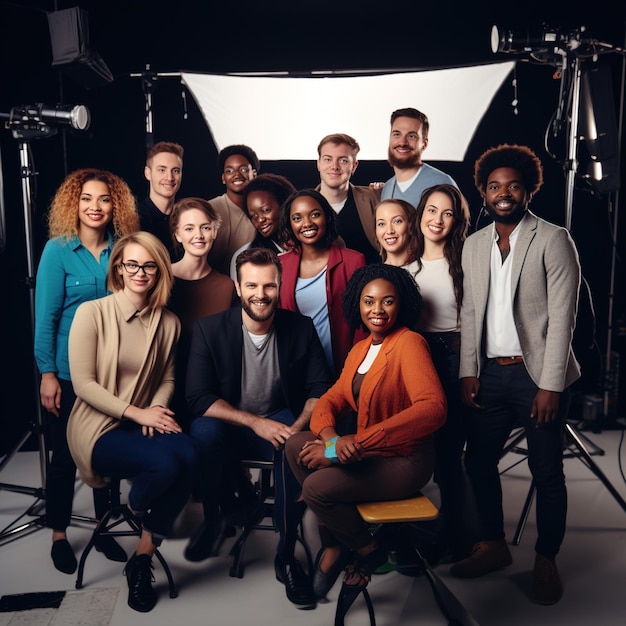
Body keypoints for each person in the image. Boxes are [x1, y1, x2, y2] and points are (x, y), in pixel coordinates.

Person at [451, 144, 581, 606]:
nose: (503, 193)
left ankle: (546, 557)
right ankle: (493, 545)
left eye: (513, 186)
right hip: (489, 375)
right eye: (494, 187)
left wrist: (550, 384)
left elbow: (564, 317)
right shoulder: (473, 244)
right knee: (477, 462)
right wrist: (469, 370)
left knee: (546, 471)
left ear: (528, 189)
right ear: (483, 194)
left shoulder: (553, 238)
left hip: (535, 377)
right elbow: (469, 311)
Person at [285, 263, 446, 604]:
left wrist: (351, 444)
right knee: (295, 444)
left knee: (316, 487)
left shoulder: (409, 343)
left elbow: (433, 408)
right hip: (366, 453)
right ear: (357, 305)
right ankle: (337, 542)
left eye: (387, 301)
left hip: (404, 460)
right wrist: (331, 441)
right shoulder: (360, 349)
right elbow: (331, 399)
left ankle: (365, 549)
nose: (378, 310)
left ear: (400, 305)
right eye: (369, 301)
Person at [185, 247, 332, 610]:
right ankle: (220, 515)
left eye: (269, 286)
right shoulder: (209, 329)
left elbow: (319, 390)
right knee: (202, 434)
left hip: (282, 416)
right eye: (251, 285)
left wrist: (292, 428)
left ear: (280, 286)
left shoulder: (300, 327)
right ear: (237, 286)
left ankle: (286, 553)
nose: (260, 294)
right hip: (234, 421)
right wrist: (255, 423)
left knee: (295, 446)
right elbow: (198, 398)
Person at [66, 231, 198, 613]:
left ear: (159, 271)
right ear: (119, 269)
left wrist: (154, 413)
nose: (140, 272)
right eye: (131, 264)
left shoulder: (169, 322)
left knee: (190, 452)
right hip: (96, 427)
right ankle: (138, 506)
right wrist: (139, 413)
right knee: (165, 463)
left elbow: (168, 378)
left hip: (142, 421)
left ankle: (142, 556)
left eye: (149, 265)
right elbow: (83, 384)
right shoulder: (91, 313)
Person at [34, 168, 139, 575]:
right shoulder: (57, 251)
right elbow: (45, 318)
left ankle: (104, 525)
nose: (95, 207)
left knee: (105, 453)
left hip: (113, 370)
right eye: (87, 199)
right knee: (64, 456)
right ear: (73, 204)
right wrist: (46, 373)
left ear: (116, 206)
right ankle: (58, 532)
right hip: (65, 372)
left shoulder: (124, 248)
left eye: (104, 199)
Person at [405, 184, 472, 562]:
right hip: (417, 360)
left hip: (453, 359)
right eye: (432, 210)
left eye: (447, 213)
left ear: (456, 220)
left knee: (450, 454)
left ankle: (456, 536)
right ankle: (410, 533)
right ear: (421, 213)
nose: (437, 219)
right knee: (417, 451)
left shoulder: (464, 264)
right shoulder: (407, 268)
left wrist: (468, 372)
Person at [277, 188, 367, 378]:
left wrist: (357, 370)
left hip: (342, 366)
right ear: (289, 224)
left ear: (327, 217)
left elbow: (362, 324)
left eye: (315, 215)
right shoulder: (280, 265)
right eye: (297, 218)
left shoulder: (354, 261)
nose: (307, 223)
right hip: (297, 368)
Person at [167, 197, 237, 430]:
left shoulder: (227, 286)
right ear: (177, 234)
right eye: (189, 228)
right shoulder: (159, 280)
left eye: (205, 227)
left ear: (215, 231)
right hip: (163, 392)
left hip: (210, 395)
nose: (198, 235)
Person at [315, 133, 380, 264]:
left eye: (343, 160)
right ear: (319, 164)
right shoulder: (301, 204)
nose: (334, 166)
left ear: (354, 166)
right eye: (328, 159)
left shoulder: (373, 199)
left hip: (370, 281)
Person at [380, 107, 457, 208]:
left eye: (411, 136)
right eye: (397, 134)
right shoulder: (387, 188)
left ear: (424, 144)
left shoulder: (441, 183)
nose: (402, 142)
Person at [229, 172, 296, 281]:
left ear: (283, 204)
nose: (260, 219)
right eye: (253, 216)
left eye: (265, 210)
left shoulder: (308, 245)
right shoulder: (244, 254)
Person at [206, 144, 259, 275]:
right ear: (223, 178)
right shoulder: (209, 209)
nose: (236, 175)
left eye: (244, 169)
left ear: (254, 174)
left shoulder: (263, 210)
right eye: (229, 171)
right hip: (216, 285)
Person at [137, 141, 184, 261]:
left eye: (175, 171)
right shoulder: (134, 220)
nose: (169, 178)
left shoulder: (186, 218)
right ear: (148, 173)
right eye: (162, 170)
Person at [374, 197, 417, 266]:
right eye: (381, 224)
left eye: (397, 221)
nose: (389, 231)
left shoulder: (426, 269)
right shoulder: (372, 274)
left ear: (411, 227)